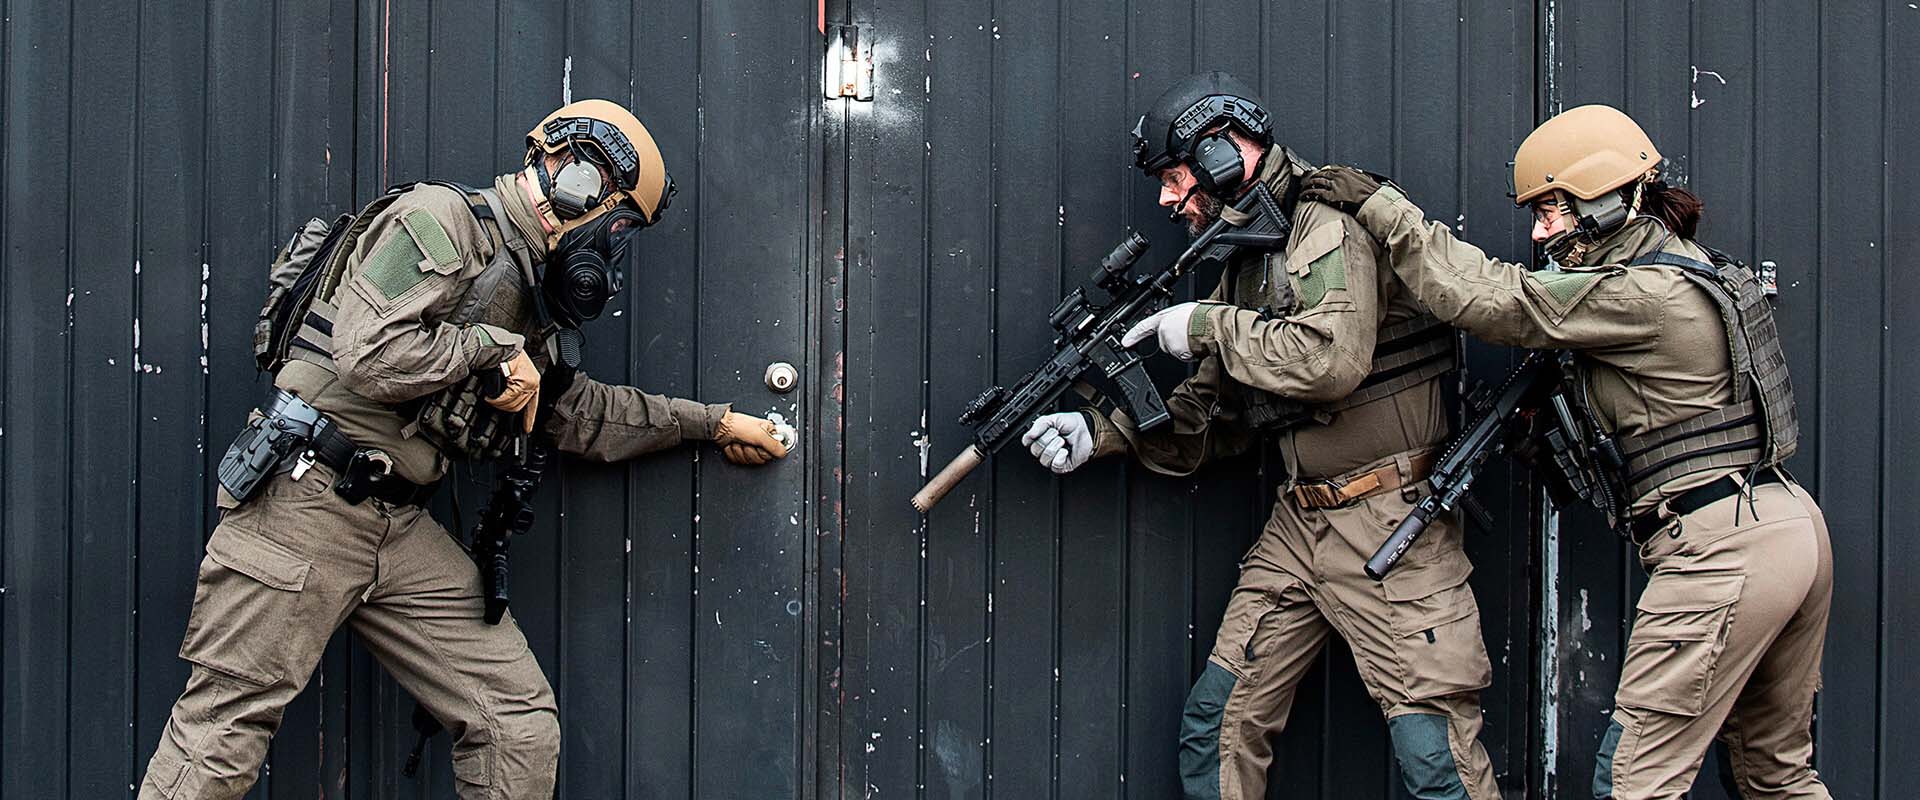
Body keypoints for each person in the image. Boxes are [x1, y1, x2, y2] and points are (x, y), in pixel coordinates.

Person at [138, 99, 791, 799]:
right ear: (576, 175)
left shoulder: (529, 288)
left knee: (516, 723)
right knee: (222, 732)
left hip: (397, 525)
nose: (611, 240)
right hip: (305, 499)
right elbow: (369, 354)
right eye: (618, 218)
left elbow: (575, 413)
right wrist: (491, 348)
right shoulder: (442, 218)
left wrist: (714, 423)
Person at [1302, 104, 1831, 799]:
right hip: (1785, 529)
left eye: (1552, 211)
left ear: (1609, 197)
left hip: (1721, 553)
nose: (1539, 232)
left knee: (1634, 782)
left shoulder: (1644, 291)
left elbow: (1492, 299)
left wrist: (1384, 207)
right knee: (1774, 774)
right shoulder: (1691, 269)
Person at [1021, 71, 1499, 799]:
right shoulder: (1244, 252)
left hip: (1390, 520)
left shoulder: (1325, 222)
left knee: (1435, 753)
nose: (1166, 198)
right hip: (1298, 521)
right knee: (1218, 725)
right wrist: (1100, 433)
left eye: (1176, 176)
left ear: (1223, 153)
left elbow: (1328, 361)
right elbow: (1211, 415)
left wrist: (1205, 323)